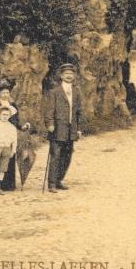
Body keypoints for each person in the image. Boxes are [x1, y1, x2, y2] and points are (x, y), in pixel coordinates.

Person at [43, 63, 85, 191]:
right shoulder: (54, 92)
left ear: (74, 76)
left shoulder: (76, 92)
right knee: (55, 155)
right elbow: (49, 111)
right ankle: (51, 184)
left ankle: (59, 180)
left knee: (67, 155)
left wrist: (79, 128)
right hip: (57, 128)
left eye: (71, 74)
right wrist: (49, 124)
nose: (69, 76)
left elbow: (79, 112)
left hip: (71, 129)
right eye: (66, 74)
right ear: (61, 75)